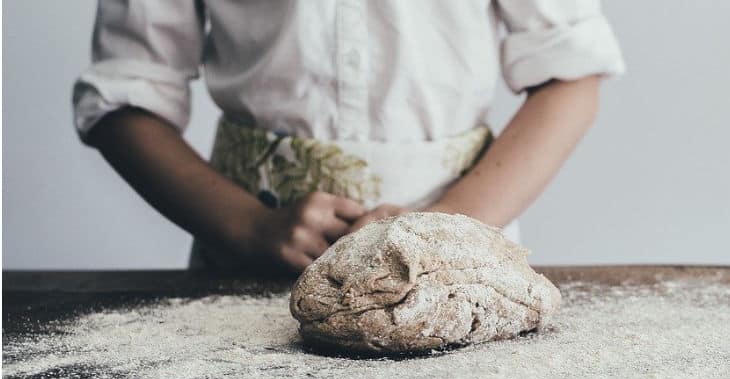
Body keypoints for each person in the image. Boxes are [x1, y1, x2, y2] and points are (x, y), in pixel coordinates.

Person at [72, 1, 624, 274]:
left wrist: (448, 229)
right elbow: (125, 94)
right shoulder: (248, 232)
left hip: (458, 256)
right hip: (253, 254)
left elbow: (569, 76)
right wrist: (246, 225)